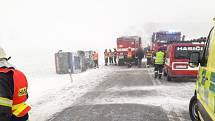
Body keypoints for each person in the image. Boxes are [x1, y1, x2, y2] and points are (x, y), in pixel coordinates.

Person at [0, 47, 31, 121]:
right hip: (22, 116)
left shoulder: (1, 77)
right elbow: (24, 96)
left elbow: (2, 110)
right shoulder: (18, 73)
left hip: (10, 117)